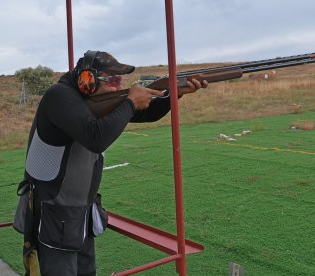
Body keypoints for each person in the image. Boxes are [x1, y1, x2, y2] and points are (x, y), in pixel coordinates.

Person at [13, 50, 208, 276]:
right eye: (113, 80)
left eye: (120, 80)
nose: (118, 86)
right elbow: (96, 137)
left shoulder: (90, 99)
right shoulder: (59, 96)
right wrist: (130, 102)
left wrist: (174, 95)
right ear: (88, 79)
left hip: (80, 213)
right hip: (54, 213)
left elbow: (147, 114)